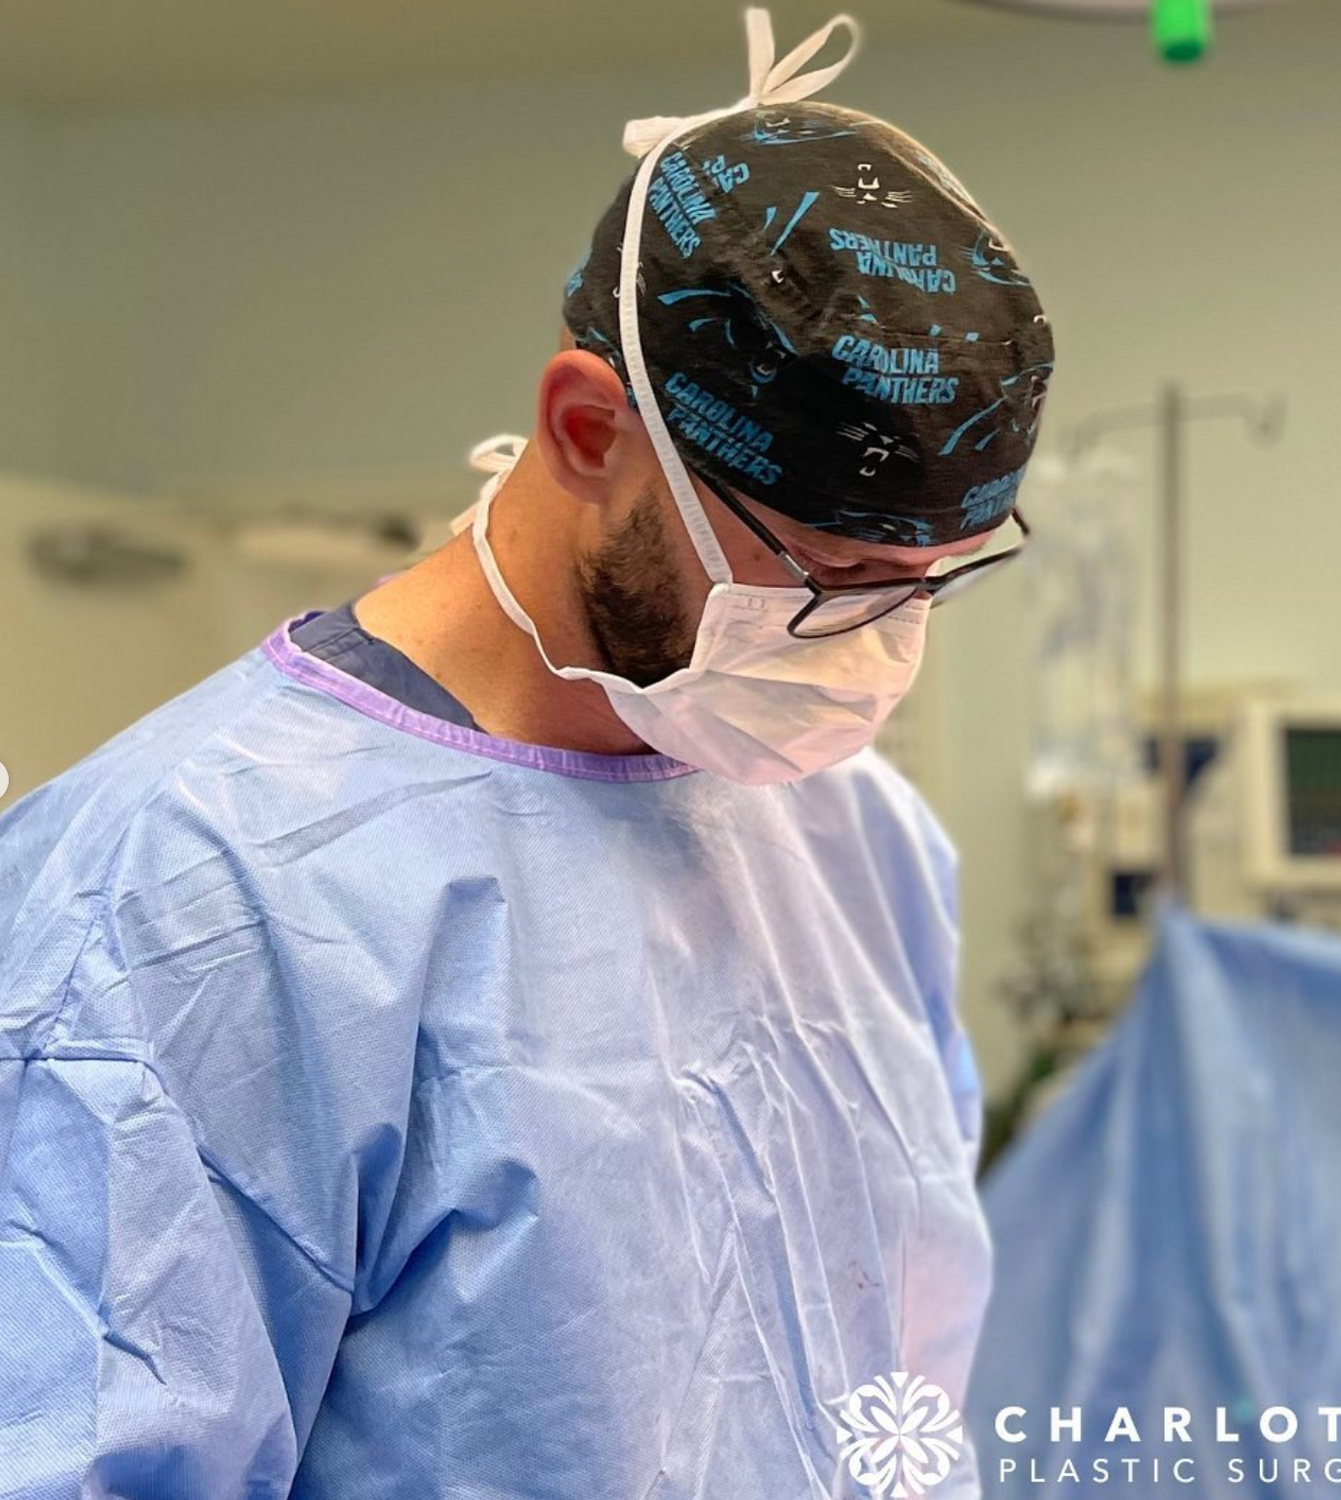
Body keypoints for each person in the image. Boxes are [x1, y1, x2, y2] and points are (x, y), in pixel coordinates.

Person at [0, 10, 1053, 1496]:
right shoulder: (190, 895)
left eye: (924, 586)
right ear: (585, 429)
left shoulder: (856, 836)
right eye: (822, 580)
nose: (873, 651)